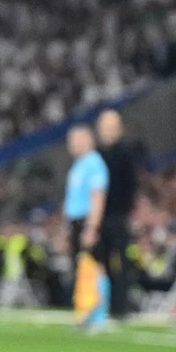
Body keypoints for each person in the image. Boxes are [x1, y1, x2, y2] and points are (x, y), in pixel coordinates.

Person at [95, 109, 144, 318]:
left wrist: (124, 211)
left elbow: (131, 186)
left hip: (118, 216)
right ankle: (101, 305)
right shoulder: (95, 155)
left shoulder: (126, 154)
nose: (108, 132)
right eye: (105, 127)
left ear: (120, 129)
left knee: (121, 263)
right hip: (99, 217)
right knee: (101, 263)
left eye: (112, 127)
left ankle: (121, 307)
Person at [63, 123, 110, 329]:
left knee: (96, 265)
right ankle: (85, 310)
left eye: (76, 141)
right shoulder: (79, 165)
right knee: (82, 266)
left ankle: (99, 314)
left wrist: (92, 227)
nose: (72, 145)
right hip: (76, 220)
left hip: (87, 220)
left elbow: (98, 195)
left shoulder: (94, 164)